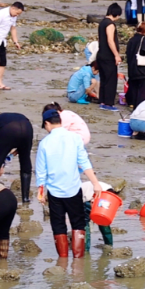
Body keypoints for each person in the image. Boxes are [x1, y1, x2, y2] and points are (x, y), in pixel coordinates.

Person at [35, 108, 104, 259]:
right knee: (78, 223)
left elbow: (41, 171)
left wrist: (41, 192)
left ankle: (63, 259)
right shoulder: (75, 138)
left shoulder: (45, 143)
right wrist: (95, 183)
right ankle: (78, 261)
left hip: (54, 192)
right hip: (73, 188)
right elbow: (84, 162)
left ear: (47, 123)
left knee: (58, 225)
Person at [0, 2, 24, 90]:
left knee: (3, 62)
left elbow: (13, 29)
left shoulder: (13, 17)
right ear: (13, 9)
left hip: (3, 40)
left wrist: (16, 42)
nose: (17, 15)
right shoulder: (1, 14)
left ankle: (0, 82)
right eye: (17, 13)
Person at [97, 3, 123, 111]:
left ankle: (102, 101)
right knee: (111, 80)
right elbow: (110, 40)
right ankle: (108, 103)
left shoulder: (102, 22)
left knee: (103, 79)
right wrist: (116, 55)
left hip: (101, 55)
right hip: (108, 56)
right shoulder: (110, 24)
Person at [126, 23, 145, 109]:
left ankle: (133, 105)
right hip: (142, 70)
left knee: (134, 89)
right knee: (142, 91)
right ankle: (141, 109)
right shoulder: (144, 40)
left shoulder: (131, 40)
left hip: (132, 69)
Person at [82, 180, 115, 253]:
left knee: (86, 224)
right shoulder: (107, 187)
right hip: (88, 198)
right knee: (101, 221)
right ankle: (109, 246)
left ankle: (85, 251)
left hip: (92, 196)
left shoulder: (107, 189)